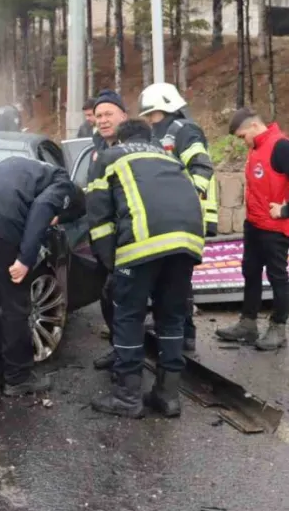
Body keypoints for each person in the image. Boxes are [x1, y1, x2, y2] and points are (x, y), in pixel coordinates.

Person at [86, 119, 205, 418]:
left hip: (142, 244)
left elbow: (98, 218)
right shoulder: (168, 157)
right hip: (187, 243)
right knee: (172, 318)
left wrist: (111, 265)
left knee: (128, 315)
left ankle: (128, 397)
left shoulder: (109, 156)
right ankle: (167, 396)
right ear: (150, 138)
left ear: (121, 139)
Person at [0, 156, 86, 396]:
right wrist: (25, 259)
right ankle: (17, 378)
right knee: (14, 305)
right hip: (2, 228)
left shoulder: (13, 164)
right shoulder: (62, 181)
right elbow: (41, 208)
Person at [216, 109, 289, 351]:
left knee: (277, 276)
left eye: (242, 136)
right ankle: (248, 323)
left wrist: (288, 210)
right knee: (250, 271)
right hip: (255, 224)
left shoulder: (281, 147)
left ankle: (278, 327)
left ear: (254, 127)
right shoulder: (256, 147)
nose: (242, 142)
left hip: (275, 227)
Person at [138, 82, 218, 353]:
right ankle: (174, 329)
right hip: (170, 217)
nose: (150, 120)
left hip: (185, 218)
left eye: (153, 114)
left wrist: (187, 200)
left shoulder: (184, 131)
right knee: (170, 277)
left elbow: (202, 166)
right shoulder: (162, 134)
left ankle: (184, 333)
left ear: (167, 108)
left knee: (179, 279)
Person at [85, 90, 130, 370]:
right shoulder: (97, 150)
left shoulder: (136, 144)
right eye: (98, 116)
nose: (102, 120)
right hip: (104, 238)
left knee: (128, 300)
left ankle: (131, 365)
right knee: (107, 296)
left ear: (123, 115)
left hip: (132, 237)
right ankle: (119, 349)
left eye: (108, 114)